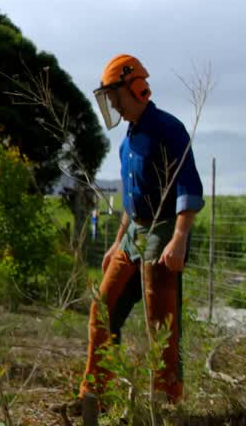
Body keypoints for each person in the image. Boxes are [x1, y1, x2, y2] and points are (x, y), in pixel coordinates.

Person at [80, 54, 205, 407]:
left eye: (113, 94)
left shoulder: (169, 129)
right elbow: (130, 199)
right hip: (134, 231)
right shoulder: (126, 142)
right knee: (102, 306)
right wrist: (117, 241)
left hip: (165, 228)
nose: (111, 103)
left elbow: (188, 187)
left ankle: (164, 399)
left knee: (159, 314)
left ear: (134, 87)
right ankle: (96, 393)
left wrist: (179, 238)